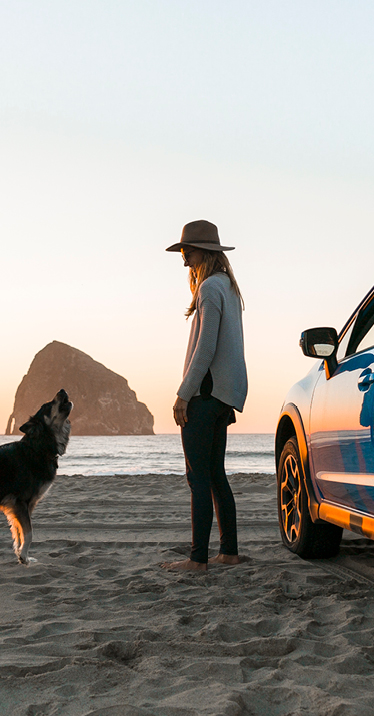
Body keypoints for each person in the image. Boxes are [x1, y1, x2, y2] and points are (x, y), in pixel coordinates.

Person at [161, 220, 248, 572]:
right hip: (224, 395)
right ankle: (228, 551)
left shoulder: (210, 288)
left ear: (207, 252)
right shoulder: (228, 286)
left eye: (189, 251)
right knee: (215, 475)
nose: (184, 259)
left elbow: (205, 348)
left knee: (198, 477)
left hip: (206, 393)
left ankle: (197, 559)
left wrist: (184, 394)